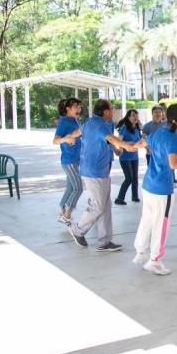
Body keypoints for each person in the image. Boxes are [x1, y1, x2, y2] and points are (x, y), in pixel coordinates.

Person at [131, 103, 177, 275]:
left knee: (147, 219)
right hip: (162, 189)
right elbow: (174, 163)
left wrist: (132, 146)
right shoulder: (173, 137)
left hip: (148, 185)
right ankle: (154, 260)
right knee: (160, 223)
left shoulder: (158, 132)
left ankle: (140, 252)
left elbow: (141, 143)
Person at [68, 99, 137, 252]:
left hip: (100, 170)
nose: (113, 111)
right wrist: (125, 145)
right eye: (111, 108)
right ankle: (77, 229)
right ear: (105, 111)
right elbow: (110, 137)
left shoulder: (90, 122)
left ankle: (104, 241)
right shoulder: (99, 124)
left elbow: (77, 133)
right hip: (94, 171)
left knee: (105, 205)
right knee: (98, 206)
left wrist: (70, 137)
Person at [53, 98, 83, 225]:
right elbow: (55, 140)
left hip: (75, 159)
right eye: (76, 106)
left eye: (79, 107)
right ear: (68, 109)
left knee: (70, 187)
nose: (78, 109)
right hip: (69, 161)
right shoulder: (64, 122)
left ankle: (62, 210)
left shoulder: (74, 120)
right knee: (78, 188)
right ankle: (67, 214)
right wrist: (66, 139)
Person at [114, 109, 142, 205]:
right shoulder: (124, 128)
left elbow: (140, 140)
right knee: (129, 178)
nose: (135, 117)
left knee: (135, 178)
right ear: (128, 117)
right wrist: (123, 147)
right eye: (133, 115)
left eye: (136, 115)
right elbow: (119, 140)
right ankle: (119, 198)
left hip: (134, 156)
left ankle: (135, 196)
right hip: (125, 157)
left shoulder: (137, 128)